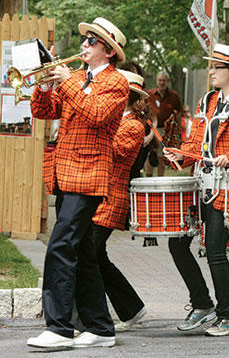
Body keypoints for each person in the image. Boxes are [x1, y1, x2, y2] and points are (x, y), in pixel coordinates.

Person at [27, 17, 129, 349]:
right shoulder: (80, 79)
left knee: (60, 246)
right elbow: (46, 111)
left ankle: (59, 327)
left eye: (91, 41)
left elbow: (97, 114)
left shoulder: (116, 83)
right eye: (84, 39)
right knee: (83, 251)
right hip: (67, 172)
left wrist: (67, 80)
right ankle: (100, 327)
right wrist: (44, 84)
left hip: (89, 175)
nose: (83, 45)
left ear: (109, 52)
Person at [164, 44, 229, 336]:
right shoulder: (208, 100)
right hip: (201, 183)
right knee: (177, 243)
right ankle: (201, 304)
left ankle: (228, 317)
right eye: (212, 66)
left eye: (217, 67)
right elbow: (196, 140)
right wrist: (182, 155)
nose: (211, 71)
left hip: (228, 187)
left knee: (215, 250)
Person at [91, 70, 151, 333]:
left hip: (113, 195)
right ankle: (131, 308)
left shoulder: (133, 125)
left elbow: (113, 150)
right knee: (95, 253)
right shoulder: (121, 120)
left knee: (92, 251)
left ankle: (105, 313)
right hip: (101, 193)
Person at [145, 71, 181, 176]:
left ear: (168, 82)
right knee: (150, 154)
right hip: (151, 129)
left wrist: (176, 130)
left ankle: (160, 178)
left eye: (164, 80)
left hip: (165, 131)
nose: (161, 83)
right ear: (156, 81)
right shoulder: (150, 94)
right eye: (160, 80)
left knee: (162, 155)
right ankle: (148, 177)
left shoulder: (174, 96)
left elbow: (178, 112)